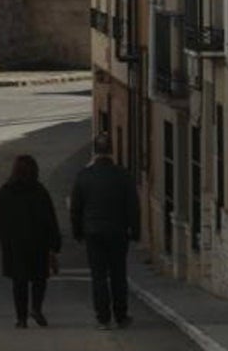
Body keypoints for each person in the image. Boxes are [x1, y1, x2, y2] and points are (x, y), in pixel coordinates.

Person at [70, 131, 140, 330]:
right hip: (118, 232)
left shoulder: (83, 176)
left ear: (94, 152)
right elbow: (132, 206)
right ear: (111, 151)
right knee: (118, 274)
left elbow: (76, 208)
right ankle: (121, 315)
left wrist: (77, 232)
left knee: (98, 275)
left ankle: (103, 318)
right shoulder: (123, 175)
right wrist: (135, 231)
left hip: (93, 232)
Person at [0, 155, 62, 329]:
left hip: (14, 245)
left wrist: (4, 239)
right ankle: (36, 308)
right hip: (38, 244)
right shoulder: (39, 192)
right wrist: (54, 244)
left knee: (19, 281)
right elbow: (50, 220)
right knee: (39, 278)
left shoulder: (6, 191)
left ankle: (21, 318)